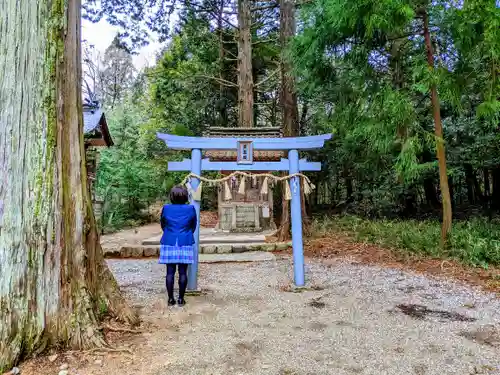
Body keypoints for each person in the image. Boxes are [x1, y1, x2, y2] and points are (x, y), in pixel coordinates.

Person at [159, 185, 197, 306]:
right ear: (186, 196)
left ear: (172, 196)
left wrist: (169, 232)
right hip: (184, 241)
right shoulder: (190, 208)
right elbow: (193, 226)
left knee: (169, 272)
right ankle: (181, 299)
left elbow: (163, 224)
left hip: (169, 241)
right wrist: (185, 232)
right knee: (183, 272)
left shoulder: (166, 208)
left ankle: (170, 299)